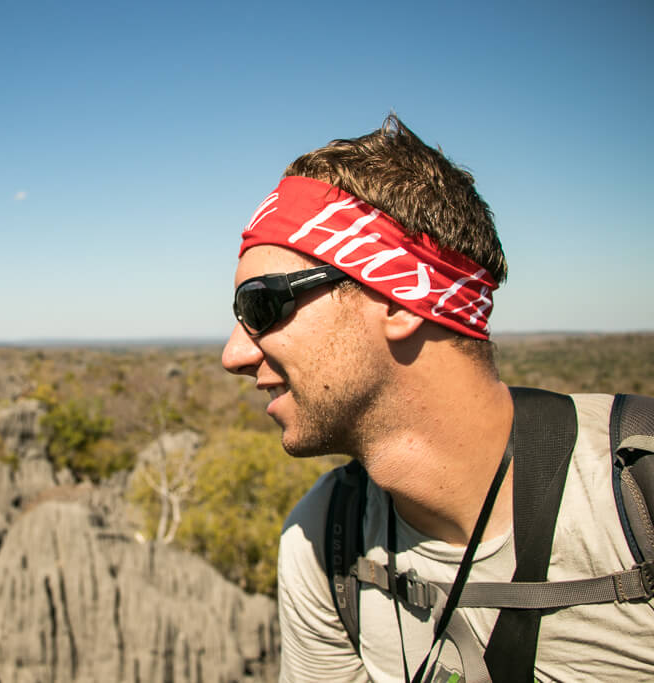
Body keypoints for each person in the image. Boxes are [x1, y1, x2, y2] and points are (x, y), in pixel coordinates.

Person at [220, 115, 654, 682]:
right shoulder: (324, 541)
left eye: (260, 307)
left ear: (399, 298)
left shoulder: (634, 494)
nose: (233, 354)